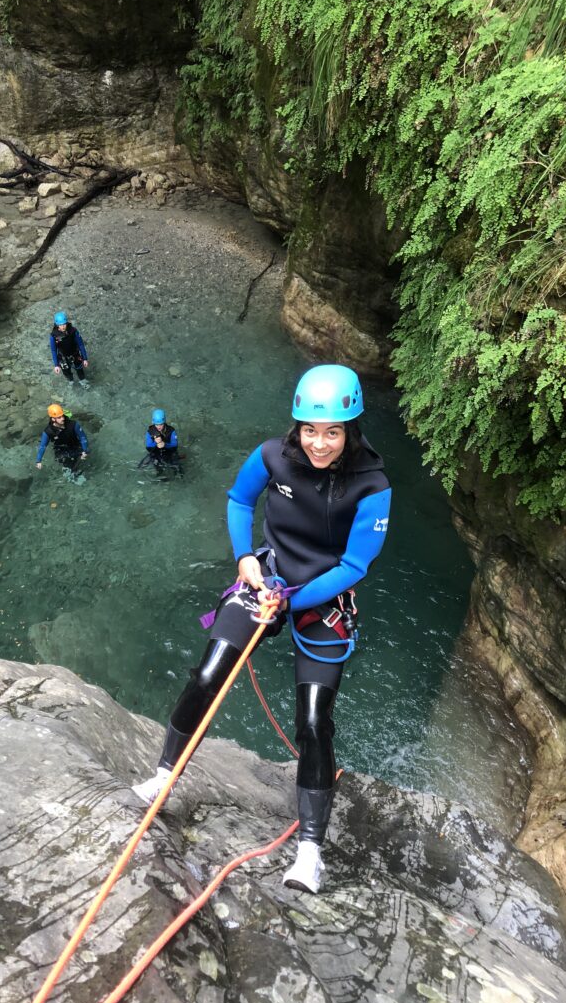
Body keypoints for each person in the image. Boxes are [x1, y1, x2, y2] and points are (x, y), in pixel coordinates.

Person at [133, 365, 391, 894]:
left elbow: (355, 566)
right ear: (296, 426)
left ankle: (311, 853)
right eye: (310, 430)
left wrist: (292, 597)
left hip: (323, 598)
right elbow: (238, 500)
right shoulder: (273, 455)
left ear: (351, 429)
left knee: (315, 722)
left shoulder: (373, 486)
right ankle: (164, 777)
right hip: (266, 576)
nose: (320, 443)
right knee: (207, 674)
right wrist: (246, 558)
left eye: (333, 431)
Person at [36, 404, 89, 474]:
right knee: (68, 468)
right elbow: (42, 446)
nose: (63, 418)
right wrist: (38, 461)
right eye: (59, 417)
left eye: (62, 416)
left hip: (75, 445)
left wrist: (85, 450)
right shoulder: (48, 432)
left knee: (86, 455)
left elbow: (83, 437)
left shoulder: (73, 424)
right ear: (53, 419)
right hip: (61, 450)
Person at [50, 311, 89, 383]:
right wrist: (56, 365)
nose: (63, 326)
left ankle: (82, 380)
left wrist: (84, 358)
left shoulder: (73, 331)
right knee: (66, 372)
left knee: (79, 369)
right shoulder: (54, 336)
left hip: (75, 354)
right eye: (60, 325)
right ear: (57, 325)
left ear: (66, 323)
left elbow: (81, 344)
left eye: (64, 324)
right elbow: (53, 350)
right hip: (63, 357)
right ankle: (71, 381)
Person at [144, 409, 182, 476]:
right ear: (153, 423)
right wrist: (155, 443)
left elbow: (175, 446)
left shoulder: (171, 431)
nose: (159, 427)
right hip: (156, 453)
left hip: (170, 452)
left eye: (161, 424)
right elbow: (148, 447)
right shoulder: (150, 432)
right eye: (156, 425)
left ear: (164, 422)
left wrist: (165, 444)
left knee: (178, 469)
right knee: (155, 467)